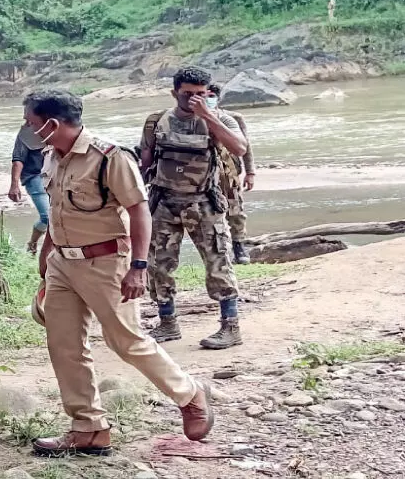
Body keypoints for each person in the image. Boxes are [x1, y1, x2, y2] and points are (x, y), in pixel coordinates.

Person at [27, 90, 214, 457]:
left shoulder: (109, 156)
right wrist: (47, 257)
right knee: (64, 345)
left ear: (52, 123)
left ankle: (189, 394)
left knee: (126, 340)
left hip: (106, 262)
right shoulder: (52, 156)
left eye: (32, 123)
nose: (28, 129)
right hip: (63, 264)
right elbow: (57, 209)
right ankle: (89, 428)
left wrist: (138, 267)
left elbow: (139, 211)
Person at [139, 67, 247, 350]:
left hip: (204, 202)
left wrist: (208, 116)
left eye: (201, 94)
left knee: (218, 262)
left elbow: (239, 148)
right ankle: (167, 323)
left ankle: (230, 327)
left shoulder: (220, 119)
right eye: (188, 94)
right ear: (175, 92)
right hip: (164, 201)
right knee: (159, 265)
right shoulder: (156, 121)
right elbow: (145, 162)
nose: (194, 99)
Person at [207, 83, 255, 265]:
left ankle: (239, 246)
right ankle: (219, 250)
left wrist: (250, 172)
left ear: (218, 98)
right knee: (210, 213)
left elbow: (246, 146)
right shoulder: (194, 119)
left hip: (229, 170)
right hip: (203, 173)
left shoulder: (233, 118)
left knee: (236, 211)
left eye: (211, 96)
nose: (208, 99)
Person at [8, 124, 50, 254]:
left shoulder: (55, 129)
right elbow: (17, 160)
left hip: (54, 174)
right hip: (34, 176)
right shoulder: (25, 134)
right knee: (48, 217)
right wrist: (14, 185)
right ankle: (35, 244)